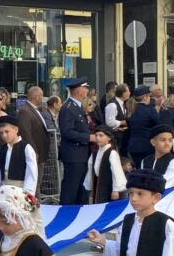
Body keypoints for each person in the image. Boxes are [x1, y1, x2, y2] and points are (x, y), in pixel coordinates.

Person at [58, 77, 96, 205]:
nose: (87, 90)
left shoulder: (77, 107)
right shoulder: (68, 108)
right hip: (73, 154)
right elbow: (67, 131)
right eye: (85, 88)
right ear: (79, 90)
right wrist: (88, 137)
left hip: (81, 154)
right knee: (71, 188)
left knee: (81, 188)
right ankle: (66, 215)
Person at [17, 86, 49, 195]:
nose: (43, 98)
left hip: (39, 152)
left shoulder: (34, 109)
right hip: (34, 153)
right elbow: (26, 133)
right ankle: (34, 206)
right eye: (41, 96)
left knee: (37, 182)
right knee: (34, 183)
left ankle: (37, 204)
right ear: (36, 97)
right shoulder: (25, 111)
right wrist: (33, 151)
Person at [0, 115, 38, 194]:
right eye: (1, 133)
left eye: (7, 131)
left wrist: (28, 193)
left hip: (20, 191)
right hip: (3, 191)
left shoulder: (26, 148)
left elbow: (31, 173)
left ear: (16, 129)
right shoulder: (1, 150)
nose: (4, 135)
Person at [83, 125, 127, 203]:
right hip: (98, 185)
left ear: (109, 138)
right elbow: (91, 170)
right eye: (96, 135)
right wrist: (90, 186)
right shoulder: (95, 153)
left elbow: (117, 172)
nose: (98, 138)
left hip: (109, 186)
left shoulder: (112, 153)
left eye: (101, 136)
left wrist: (116, 189)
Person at [127, 85, 159, 168]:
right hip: (147, 146)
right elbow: (158, 125)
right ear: (145, 97)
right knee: (147, 170)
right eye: (149, 96)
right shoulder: (150, 110)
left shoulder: (131, 110)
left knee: (138, 170)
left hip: (133, 146)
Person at [105, 83, 130, 155]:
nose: (129, 93)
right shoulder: (112, 105)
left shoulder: (123, 104)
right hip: (115, 138)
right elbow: (109, 122)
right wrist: (123, 122)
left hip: (122, 138)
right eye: (128, 91)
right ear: (123, 93)